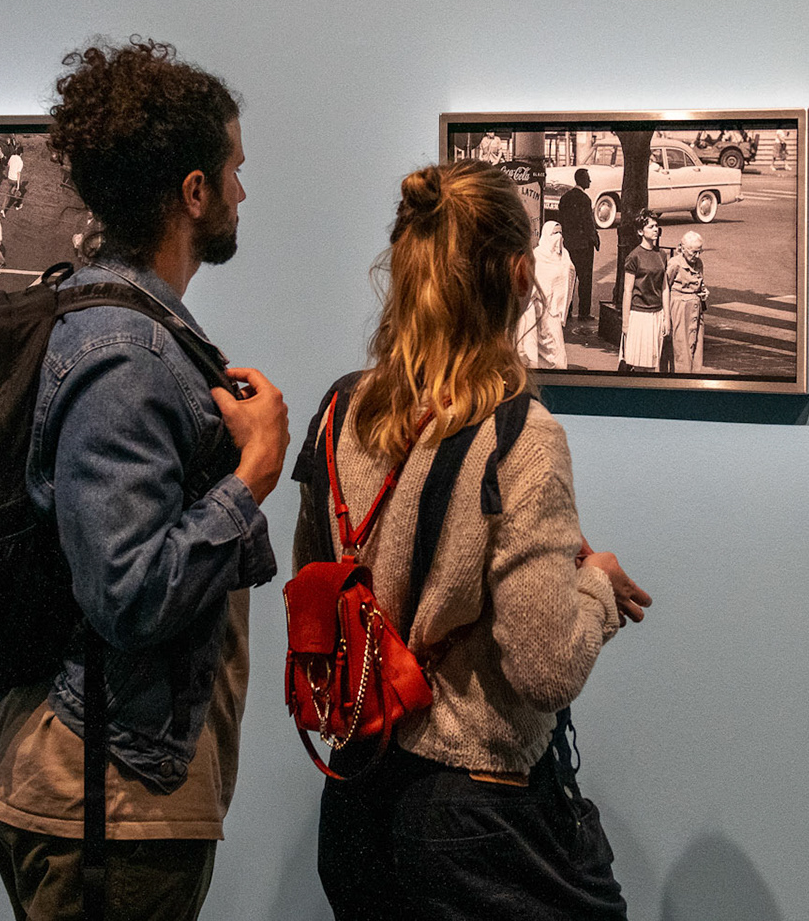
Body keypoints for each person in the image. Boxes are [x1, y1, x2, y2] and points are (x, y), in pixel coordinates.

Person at [0, 37, 290, 921]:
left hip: (117, 788)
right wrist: (255, 472)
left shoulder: (133, 330)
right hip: (105, 801)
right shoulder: (127, 356)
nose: (242, 192)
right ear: (193, 192)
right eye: (233, 170)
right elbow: (128, 591)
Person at [298, 161, 650, 921]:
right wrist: (598, 587)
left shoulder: (339, 413)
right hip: (478, 817)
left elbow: (318, 587)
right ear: (521, 276)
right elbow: (546, 666)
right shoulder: (523, 437)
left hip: (354, 798)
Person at [517, 220, 575, 369]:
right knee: (542, 350)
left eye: (560, 233)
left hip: (553, 311)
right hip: (536, 310)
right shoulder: (537, 256)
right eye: (555, 233)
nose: (559, 236)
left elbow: (569, 275)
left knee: (555, 352)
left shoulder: (564, 256)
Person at [618, 212, 665, 371]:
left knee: (654, 364)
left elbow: (664, 288)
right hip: (639, 316)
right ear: (640, 231)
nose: (655, 229)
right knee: (637, 364)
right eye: (651, 226)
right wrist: (625, 323)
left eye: (656, 226)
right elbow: (627, 291)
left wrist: (667, 318)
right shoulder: (634, 257)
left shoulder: (662, 255)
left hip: (657, 314)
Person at [556, 168, 602, 328]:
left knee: (568, 279)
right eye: (588, 178)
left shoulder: (565, 198)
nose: (590, 181)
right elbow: (588, 222)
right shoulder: (585, 199)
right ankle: (584, 312)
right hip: (583, 245)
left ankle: (567, 310)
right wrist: (595, 240)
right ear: (581, 180)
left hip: (569, 244)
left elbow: (562, 220)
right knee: (585, 279)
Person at [663, 230, 709, 373]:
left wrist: (704, 291)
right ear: (682, 248)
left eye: (699, 251)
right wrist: (666, 316)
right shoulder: (674, 264)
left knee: (696, 344)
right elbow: (665, 287)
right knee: (681, 346)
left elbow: (700, 282)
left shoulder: (698, 262)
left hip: (696, 308)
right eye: (693, 252)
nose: (697, 256)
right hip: (679, 308)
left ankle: (694, 377)